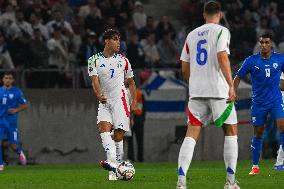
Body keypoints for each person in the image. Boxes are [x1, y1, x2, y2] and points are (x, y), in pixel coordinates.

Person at [176, 1, 240, 189]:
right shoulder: (222, 31)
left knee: (191, 134)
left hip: (197, 91)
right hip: (219, 90)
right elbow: (222, 56)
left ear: (204, 15)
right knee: (230, 131)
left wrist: (194, 83)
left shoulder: (191, 35)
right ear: (219, 14)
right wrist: (230, 85)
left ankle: (181, 181)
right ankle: (230, 183)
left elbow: (185, 68)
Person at [88, 29, 136, 180]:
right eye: (115, 39)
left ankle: (114, 170)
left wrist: (134, 101)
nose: (118, 42)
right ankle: (114, 165)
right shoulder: (93, 59)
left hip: (121, 101)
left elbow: (131, 82)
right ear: (106, 41)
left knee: (118, 135)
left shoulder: (124, 60)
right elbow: (94, 80)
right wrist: (98, 95)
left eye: (119, 39)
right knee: (103, 129)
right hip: (104, 101)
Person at [234, 33, 284, 175]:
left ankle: (282, 161)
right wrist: (232, 91)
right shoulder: (251, 60)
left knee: (283, 126)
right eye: (261, 42)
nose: (263, 45)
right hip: (258, 103)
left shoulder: (280, 59)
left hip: (276, 100)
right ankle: (255, 166)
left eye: (266, 42)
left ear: (271, 44)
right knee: (258, 133)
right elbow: (238, 77)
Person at [0, 72, 27, 171]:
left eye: (10, 78)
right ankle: (0, 164)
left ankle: (20, 152)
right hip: (0, 122)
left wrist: (16, 110)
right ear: (3, 79)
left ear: (12, 80)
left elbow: (24, 105)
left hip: (11, 123)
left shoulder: (17, 92)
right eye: (6, 78)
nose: (7, 80)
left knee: (14, 146)